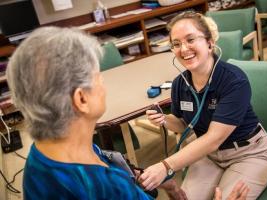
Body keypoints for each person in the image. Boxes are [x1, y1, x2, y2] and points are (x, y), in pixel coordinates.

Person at [6, 26, 186, 200]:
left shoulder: (42, 154)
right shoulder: (111, 188)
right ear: (81, 99)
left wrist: (163, 182)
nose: (104, 84)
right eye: (98, 76)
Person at [140, 11, 267, 200]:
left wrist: (165, 166)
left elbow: (214, 138)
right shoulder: (180, 83)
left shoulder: (234, 80)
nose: (183, 49)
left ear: (210, 43)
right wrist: (164, 120)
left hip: (248, 153)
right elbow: (182, 123)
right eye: (176, 44)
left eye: (190, 39)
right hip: (209, 155)